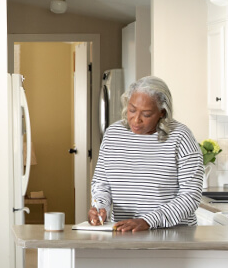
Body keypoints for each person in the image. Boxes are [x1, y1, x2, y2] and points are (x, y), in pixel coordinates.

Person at [87, 76, 203, 232]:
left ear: (162, 112)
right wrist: (101, 208)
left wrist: (148, 221)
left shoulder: (181, 137)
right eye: (132, 110)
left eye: (146, 114)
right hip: (124, 234)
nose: (136, 120)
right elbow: (102, 184)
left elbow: (191, 196)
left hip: (173, 237)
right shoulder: (113, 134)